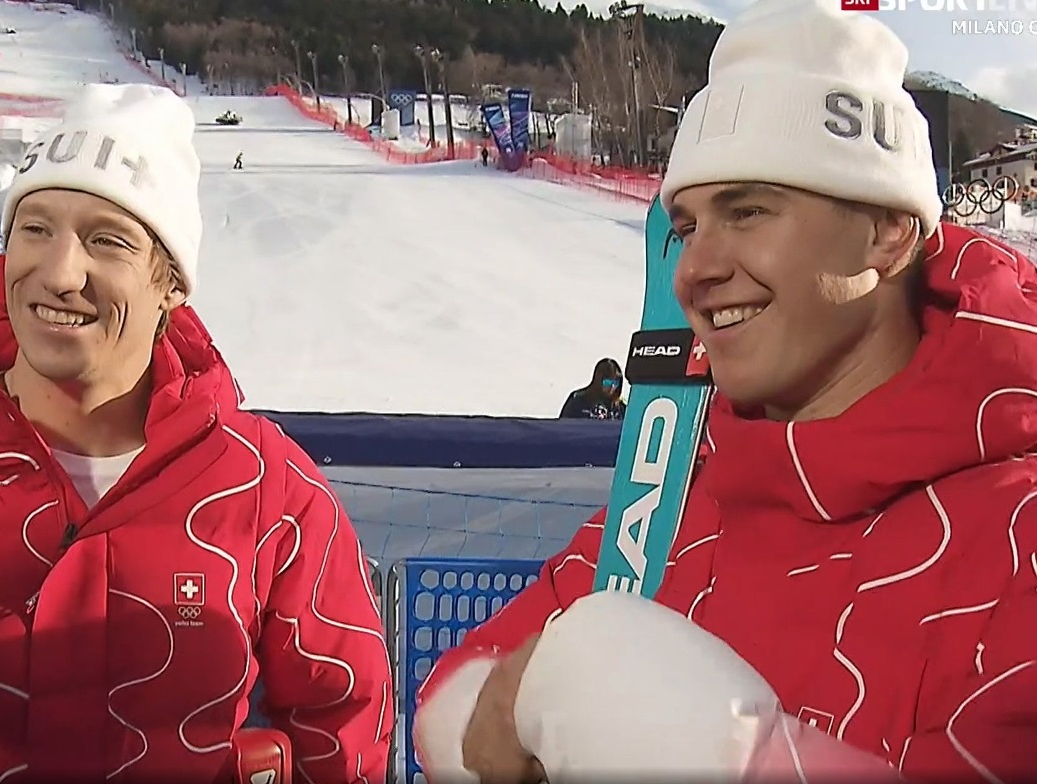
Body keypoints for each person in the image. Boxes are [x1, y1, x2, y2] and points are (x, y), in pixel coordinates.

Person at [413, 1, 1036, 782]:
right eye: (687, 227)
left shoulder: (1018, 541)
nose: (694, 271)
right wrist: (498, 715)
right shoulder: (674, 495)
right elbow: (456, 695)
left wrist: (750, 763)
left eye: (747, 211)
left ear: (886, 231)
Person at [0, 84, 392, 783]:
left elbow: (343, 722)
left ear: (171, 285)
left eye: (106, 241)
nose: (60, 272)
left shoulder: (264, 489)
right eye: (35, 229)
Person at [558, 357, 625, 420]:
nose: (612, 387)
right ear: (598, 380)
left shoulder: (620, 408)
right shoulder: (578, 400)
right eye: (607, 383)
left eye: (616, 383)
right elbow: (563, 426)